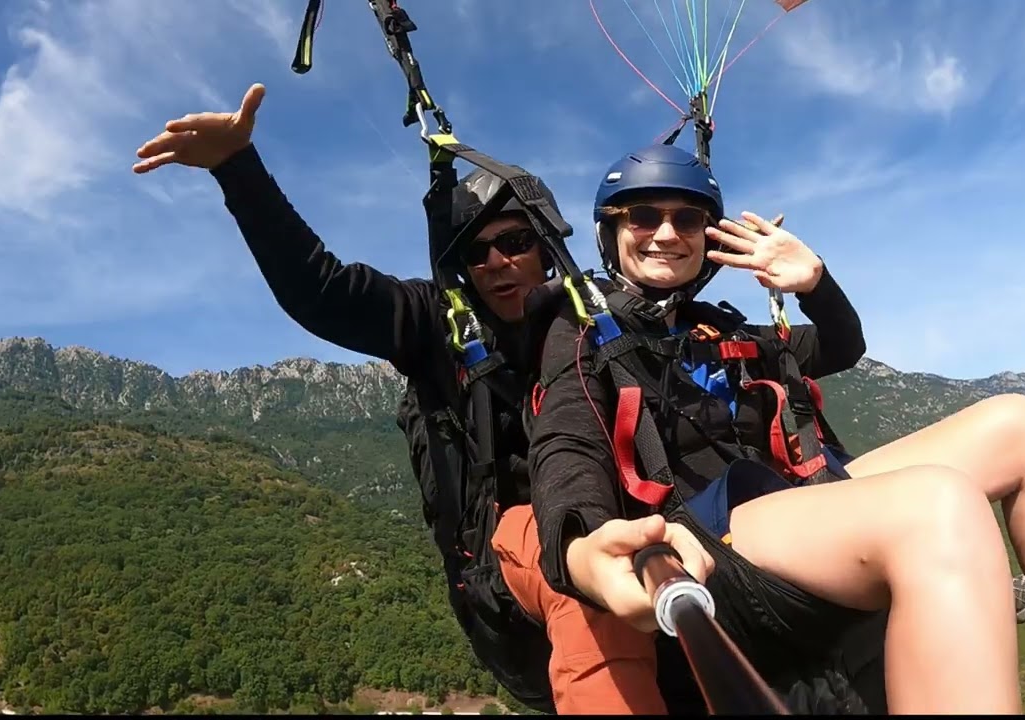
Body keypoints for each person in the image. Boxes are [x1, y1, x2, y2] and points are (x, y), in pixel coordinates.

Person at [525, 143, 1025, 715]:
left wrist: (814, 282)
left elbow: (841, 347)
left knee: (1015, 424)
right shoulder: (585, 335)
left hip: (788, 508)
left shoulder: (722, 330)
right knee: (937, 504)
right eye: (640, 217)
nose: (665, 233)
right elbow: (564, 444)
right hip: (709, 541)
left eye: (685, 219)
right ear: (609, 231)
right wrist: (581, 547)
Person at [131, 82, 684, 715]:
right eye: (476, 253)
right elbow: (321, 290)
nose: (498, 263)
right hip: (514, 580)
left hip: (630, 549)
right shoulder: (434, 322)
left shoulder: (595, 324)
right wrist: (238, 168)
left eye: (515, 243)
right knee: (583, 572)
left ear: (547, 250)